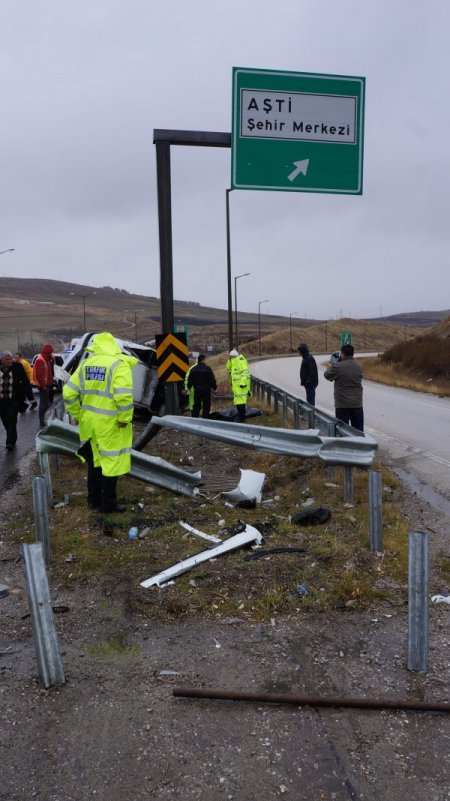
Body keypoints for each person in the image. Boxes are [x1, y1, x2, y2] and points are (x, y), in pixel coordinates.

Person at [62, 331, 137, 513]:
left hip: (89, 422)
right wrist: (124, 419)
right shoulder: (119, 365)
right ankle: (108, 503)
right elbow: (123, 397)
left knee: (94, 460)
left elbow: (68, 393)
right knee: (111, 461)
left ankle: (93, 501)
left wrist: (78, 414)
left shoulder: (86, 364)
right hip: (110, 424)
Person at [324, 343, 364, 432]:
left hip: (342, 405)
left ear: (342, 354)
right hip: (357, 404)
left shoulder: (338, 366)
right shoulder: (359, 366)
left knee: (342, 432)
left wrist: (334, 363)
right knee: (358, 433)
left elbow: (327, 375)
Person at [0, 350, 31, 450]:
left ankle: (10, 442)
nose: (10, 361)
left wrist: (25, 395)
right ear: (1, 360)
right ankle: (12, 437)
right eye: (7, 359)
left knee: (11, 420)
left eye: (10, 359)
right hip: (1, 401)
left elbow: (26, 381)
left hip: (13, 400)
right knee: (5, 421)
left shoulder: (17, 367)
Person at [187, 354, 217, 418]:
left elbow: (190, 379)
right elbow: (212, 379)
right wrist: (214, 387)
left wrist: (189, 387)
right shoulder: (207, 369)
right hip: (206, 390)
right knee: (206, 405)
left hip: (197, 390)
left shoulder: (193, 369)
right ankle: (205, 418)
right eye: (205, 359)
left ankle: (195, 418)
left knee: (196, 405)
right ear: (203, 360)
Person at [32, 344, 55, 427]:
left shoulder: (45, 359)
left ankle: (44, 420)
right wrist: (43, 386)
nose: (52, 354)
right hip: (43, 387)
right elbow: (39, 375)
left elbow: (47, 372)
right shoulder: (40, 360)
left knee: (46, 404)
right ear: (48, 353)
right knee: (43, 405)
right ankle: (42, 422)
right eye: (51, 353)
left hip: (46, 386)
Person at [227, 349, 251, 423]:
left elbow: (245, 372)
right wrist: (229, 361)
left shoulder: (240, 361)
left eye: (231, 357)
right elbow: (228, 369)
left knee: (241, 403)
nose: (230, 358)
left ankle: (242, 418)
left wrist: (242, 383)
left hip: (241, 386)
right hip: (236, 387)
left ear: (234, 356)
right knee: (238, 403)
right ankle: (241, 417)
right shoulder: (234, 362)